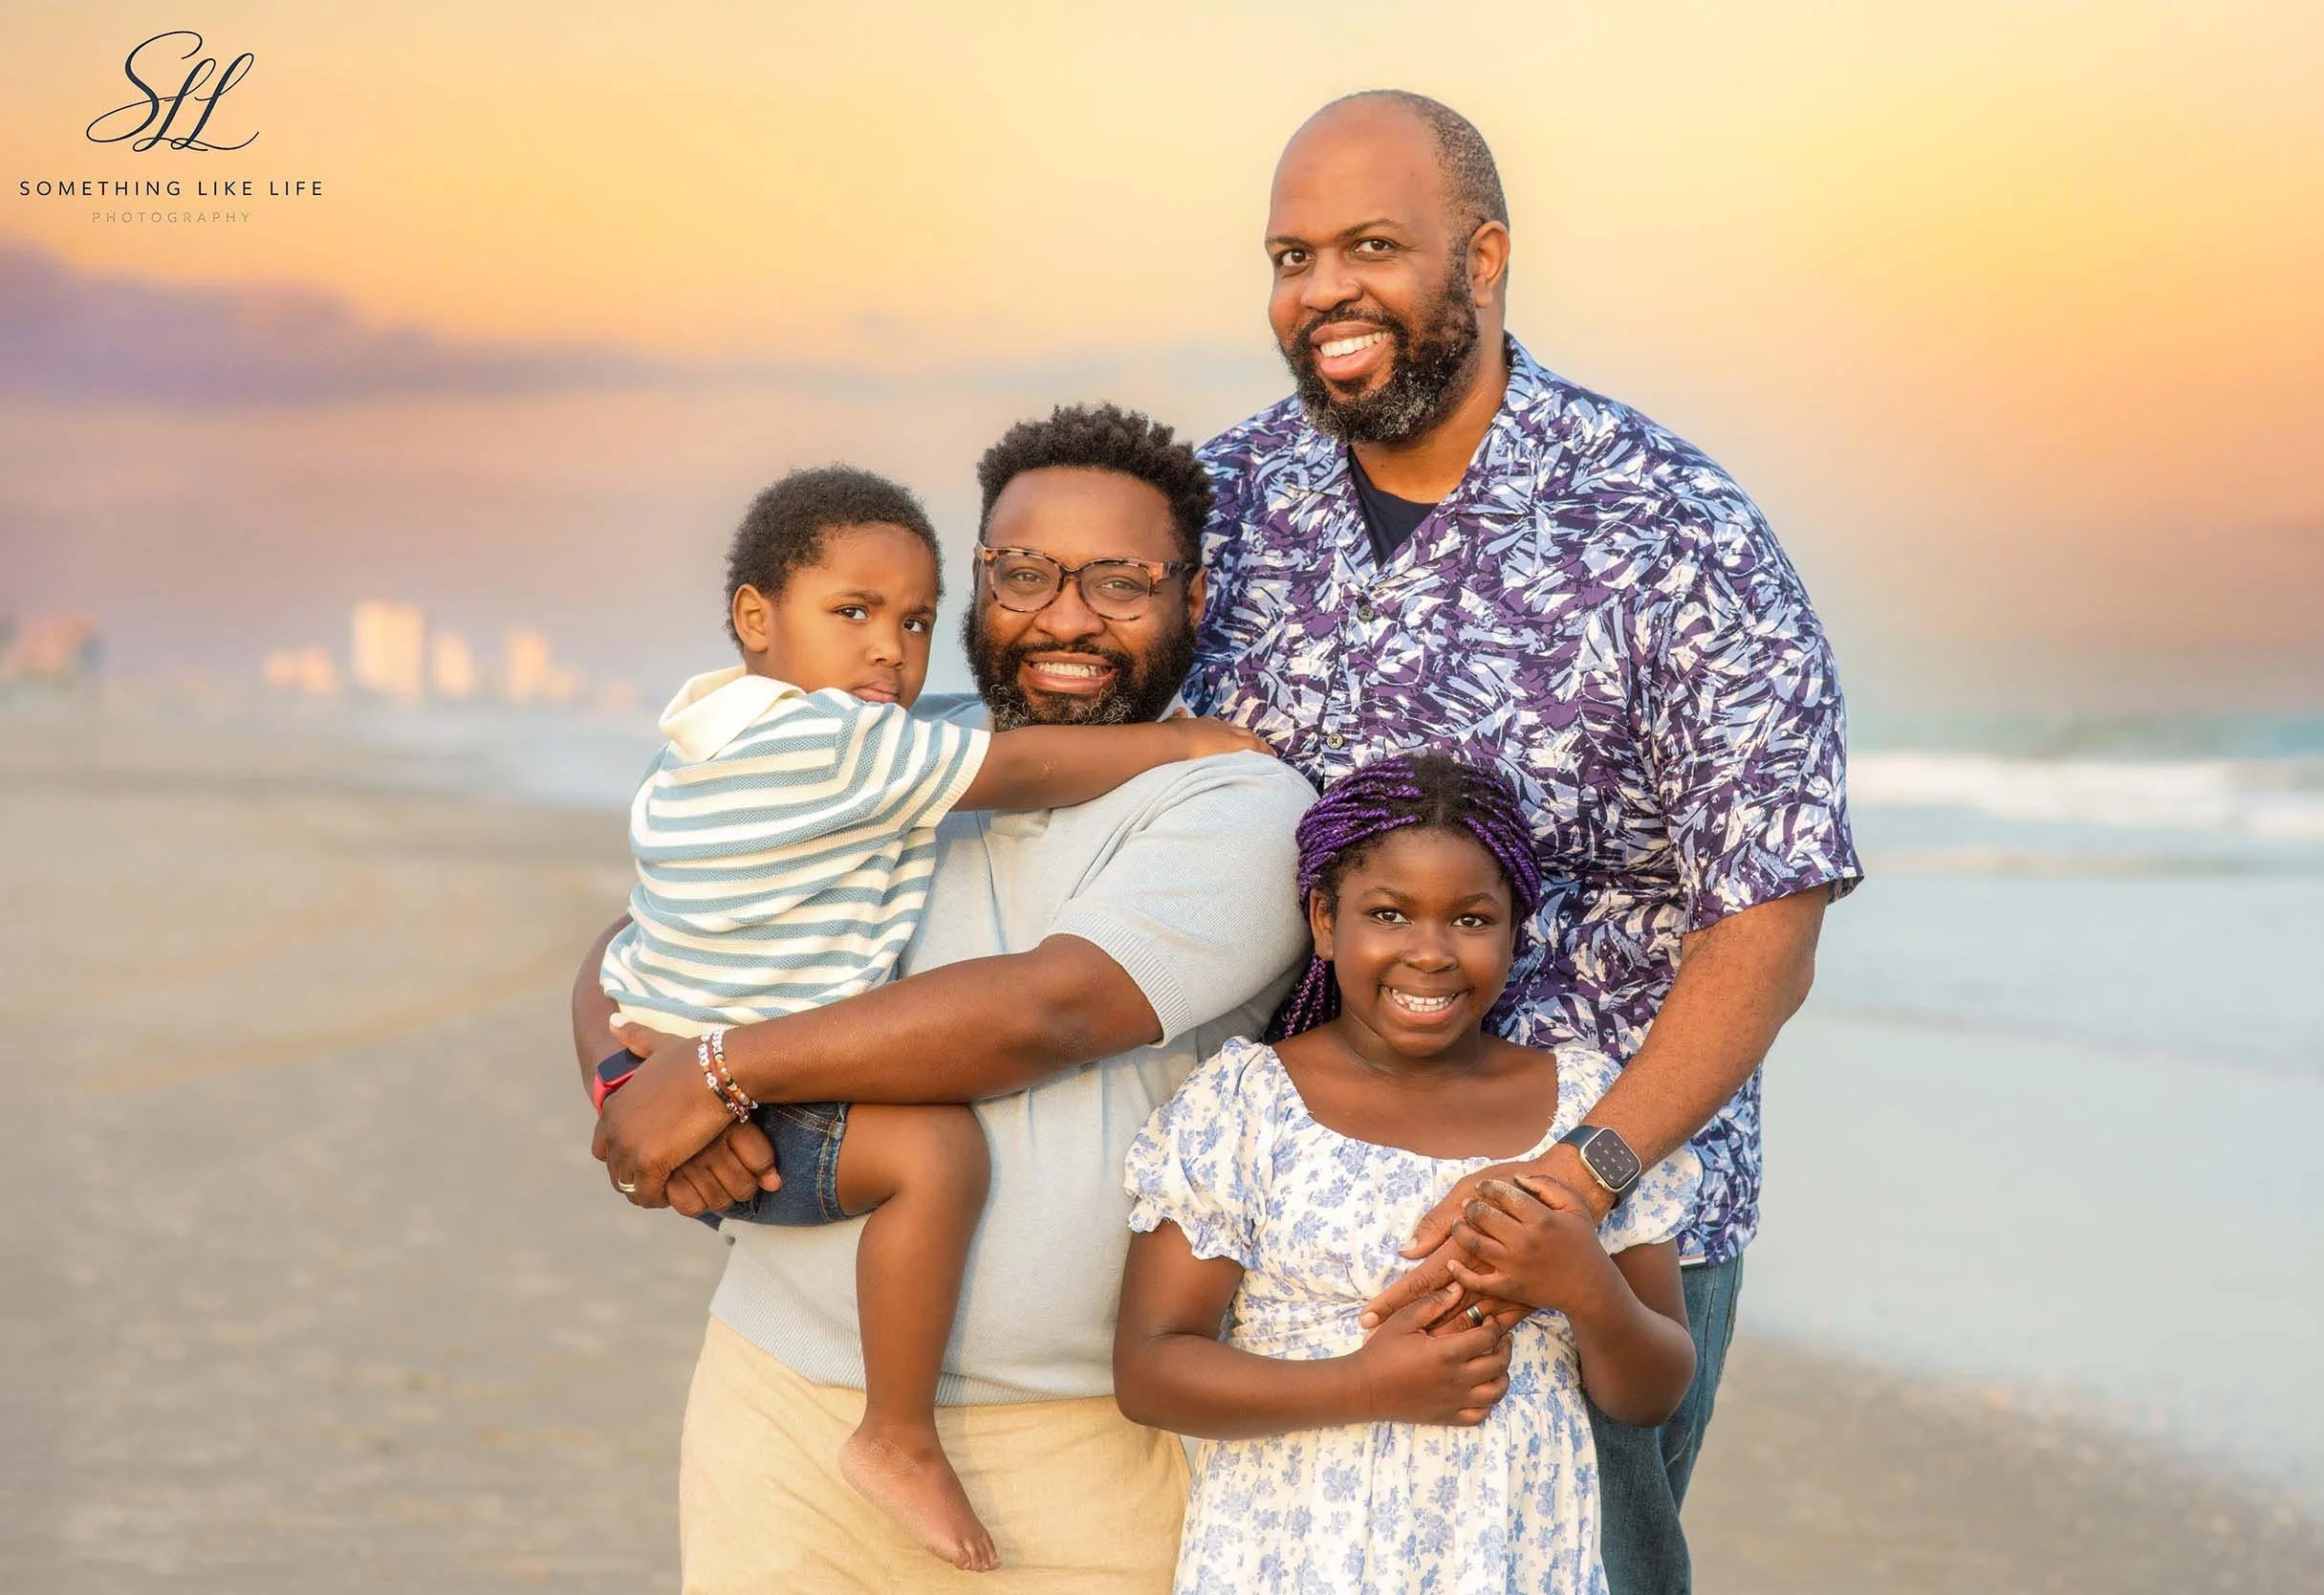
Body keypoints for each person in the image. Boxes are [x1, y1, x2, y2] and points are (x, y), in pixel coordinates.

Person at [1189, 91, 1863, 1592]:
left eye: (1373, 246)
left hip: (1596, 1240)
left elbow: (1769, 912)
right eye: (1293, 257)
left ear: (1484, 261)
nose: (1324, 291)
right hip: (1277, 1213)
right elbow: (1056, 755)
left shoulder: (1674, 529)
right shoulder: (1222, 508)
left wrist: (1581, 1179)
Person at [576, 404, 1317, 1594]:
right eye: (1025, 574)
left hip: (1077, 1456)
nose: (1065, 617)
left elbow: (1044, 1013)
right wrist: (629, 1082)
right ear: (982, 581)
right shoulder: (885, 748)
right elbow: (644, 930)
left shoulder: (1236, 800)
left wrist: (715, 1071)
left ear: (1189, 597)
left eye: (1119, 582)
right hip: (775, 1410)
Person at [1115, 754, 1707, 1593]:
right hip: (1292, 1556)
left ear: (1516, 929)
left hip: (1512, 1559)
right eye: (1388, 914)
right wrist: (1359, 1385)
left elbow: (1652, 1394)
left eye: (1471, 920)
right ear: (1325, 921)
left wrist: (1587, 1288)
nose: (1429, 953)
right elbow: (1151, 1371)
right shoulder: (1245, 1105)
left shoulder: (1585, 1109)